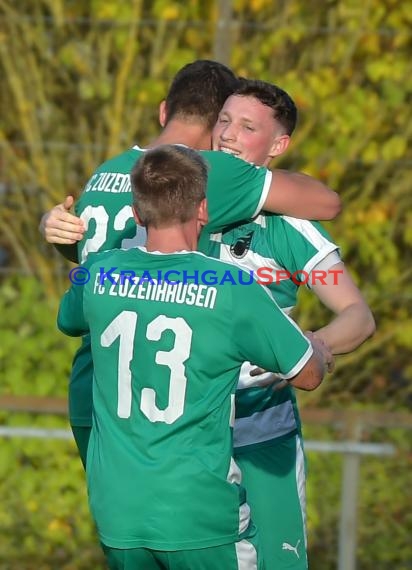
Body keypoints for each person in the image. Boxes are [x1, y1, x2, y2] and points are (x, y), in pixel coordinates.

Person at [40, 60, 341, 467]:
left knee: (121, 521)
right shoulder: (204, 174)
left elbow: (91, 265)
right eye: (226, 121)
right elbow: (328, 201)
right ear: (215, 121)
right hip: (158, 393)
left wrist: (50, 226)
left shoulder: (105, 172)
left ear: (165, 112)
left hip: (95, 381)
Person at [57, 145, 330, 570]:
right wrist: (320, 348)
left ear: (136, 211)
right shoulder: (229, 286)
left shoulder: (98, 272)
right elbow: (308, 374)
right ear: (202, 209)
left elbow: (70, 320)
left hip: (118, 511)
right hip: (201, 514)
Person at [203, 78, 375, 569]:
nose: (228, 135)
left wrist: (309, 345)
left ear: (278, 146)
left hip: (262, 422)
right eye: (224, 121)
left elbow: (357, 316)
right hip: (187, 429)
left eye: (247, 126)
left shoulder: (288, 226)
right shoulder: (177, 207)